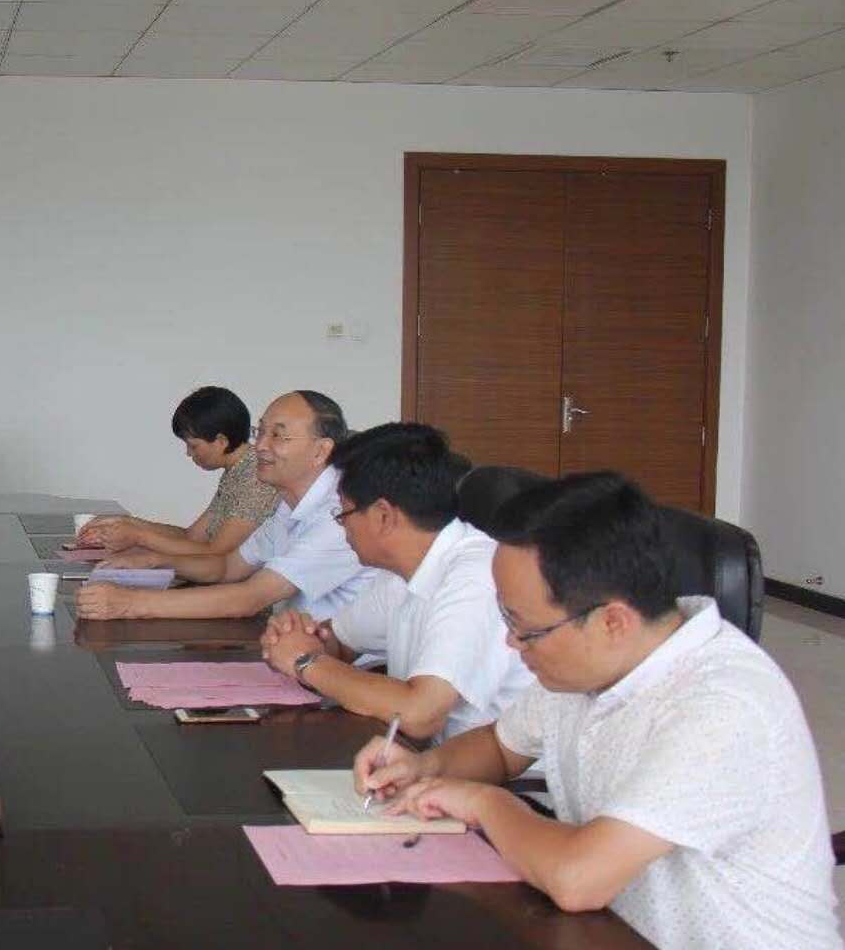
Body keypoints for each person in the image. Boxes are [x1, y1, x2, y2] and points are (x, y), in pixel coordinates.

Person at [356, 473, 839, 949]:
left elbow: (578, 879)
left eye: (525, 629)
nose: (511, 642)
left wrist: (485, 803)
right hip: (608, 930)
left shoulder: (722, 706)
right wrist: (425, 766)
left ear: (612, 621)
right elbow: (500, 747)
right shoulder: (587, 666)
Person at [260, 423, 533, 742]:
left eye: (343, 514)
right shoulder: (401, 571)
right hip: (419, 758)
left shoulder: (476, 577)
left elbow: (420, 714)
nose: (342, 527)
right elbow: (340, 643)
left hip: (483, 770)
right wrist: (296, 637)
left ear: (383, 516)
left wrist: (305, 661)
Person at [76, 390, 372, 621]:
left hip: (343, 667)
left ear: (321, 451)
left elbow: (250, 597)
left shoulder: (339, 515)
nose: (261, 446)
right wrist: (154, 561)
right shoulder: (290, 503)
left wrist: (129, 603)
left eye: (278, 436)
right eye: (260, 432)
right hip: (295, 647)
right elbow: (228, 566)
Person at [78, 386, 280, 559]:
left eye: (193, 445)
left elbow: (215, 554)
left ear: (221, 441)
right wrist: (127, 523)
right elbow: (192, 537)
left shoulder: (255, 476)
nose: (188, 453)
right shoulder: (237, 470)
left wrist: (138, 537)